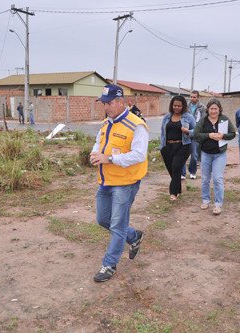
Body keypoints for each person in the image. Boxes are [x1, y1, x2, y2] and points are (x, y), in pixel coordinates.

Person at [89, 84, 148, 283]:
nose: (106, 107)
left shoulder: (136, 125)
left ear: (121, 102)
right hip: (106, 181)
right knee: (103, 219)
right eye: (104, 103)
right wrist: (95, 154)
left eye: (109, 103)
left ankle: (109, 264)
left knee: (117, 224)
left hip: (125, 182)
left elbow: (139, 155)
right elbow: (99, 142)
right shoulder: (107, 123)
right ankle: (134, 236)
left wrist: (110, 159)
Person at [194, 99, 236, 215]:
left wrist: (223, 135)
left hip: (220, 154)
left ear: (219, 109)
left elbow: (232, 134)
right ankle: (206, 200)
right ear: (208, 109)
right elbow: (196, 135)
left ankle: (218, 204)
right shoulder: (203, 121)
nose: (213, 111)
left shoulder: (224, 119)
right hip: (206, 154)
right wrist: (209, 135)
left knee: (217, 179)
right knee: (205, 179)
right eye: (211, 109)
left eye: (215, 109)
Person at [159, 95, 196, 201]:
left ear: (183, 106)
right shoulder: (167, 117)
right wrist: (162, 147)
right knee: (173, 171)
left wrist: (188, 132)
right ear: (172, 105)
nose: (177, 108)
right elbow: (163, 133)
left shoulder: (188, 117)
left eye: (179, 106)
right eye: (175, 105)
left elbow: (196, 131)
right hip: (167, 147)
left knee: (176, 167)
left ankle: (173, 193)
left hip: (183, 146)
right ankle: (178, 190)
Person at [182, 90, 205, 180]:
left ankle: (192, 172)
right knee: (183, 154)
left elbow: (203, 121)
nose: (192, 98)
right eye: (191, 97)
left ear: (198, 97)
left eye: (194, 97)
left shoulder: (202, 108)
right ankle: (183, 173)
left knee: (194, 155)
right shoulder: (186, 106)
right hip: (185, 132)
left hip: (196, 133)